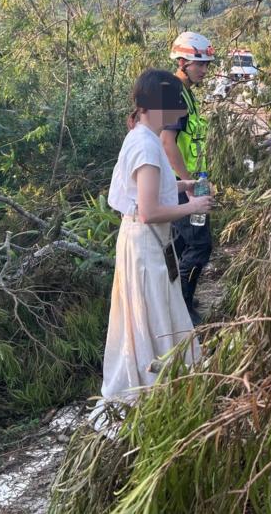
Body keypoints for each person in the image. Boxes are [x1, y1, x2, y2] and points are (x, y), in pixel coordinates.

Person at [91, 69, 213, 423]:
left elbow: (150, 192)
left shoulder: (141, 136)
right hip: (145, 248)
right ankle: (154, 389)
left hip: (145, 244)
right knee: (154, 317)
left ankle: (167, 383)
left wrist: (184, 184)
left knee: (159, 311)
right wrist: (194, 206)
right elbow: (148, 211)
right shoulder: (146, 145)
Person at [161, 31, 215, 325]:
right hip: (182, 185)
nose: (204, 70)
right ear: (182, 61)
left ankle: (176, 302)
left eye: (206, 64)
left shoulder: (184, 92)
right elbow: (167, 142)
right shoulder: (174, 94)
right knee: (199, 245)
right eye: (200, 64)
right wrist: (190, 185)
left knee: (181, 245)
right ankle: (183, 309)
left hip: (189, 181)